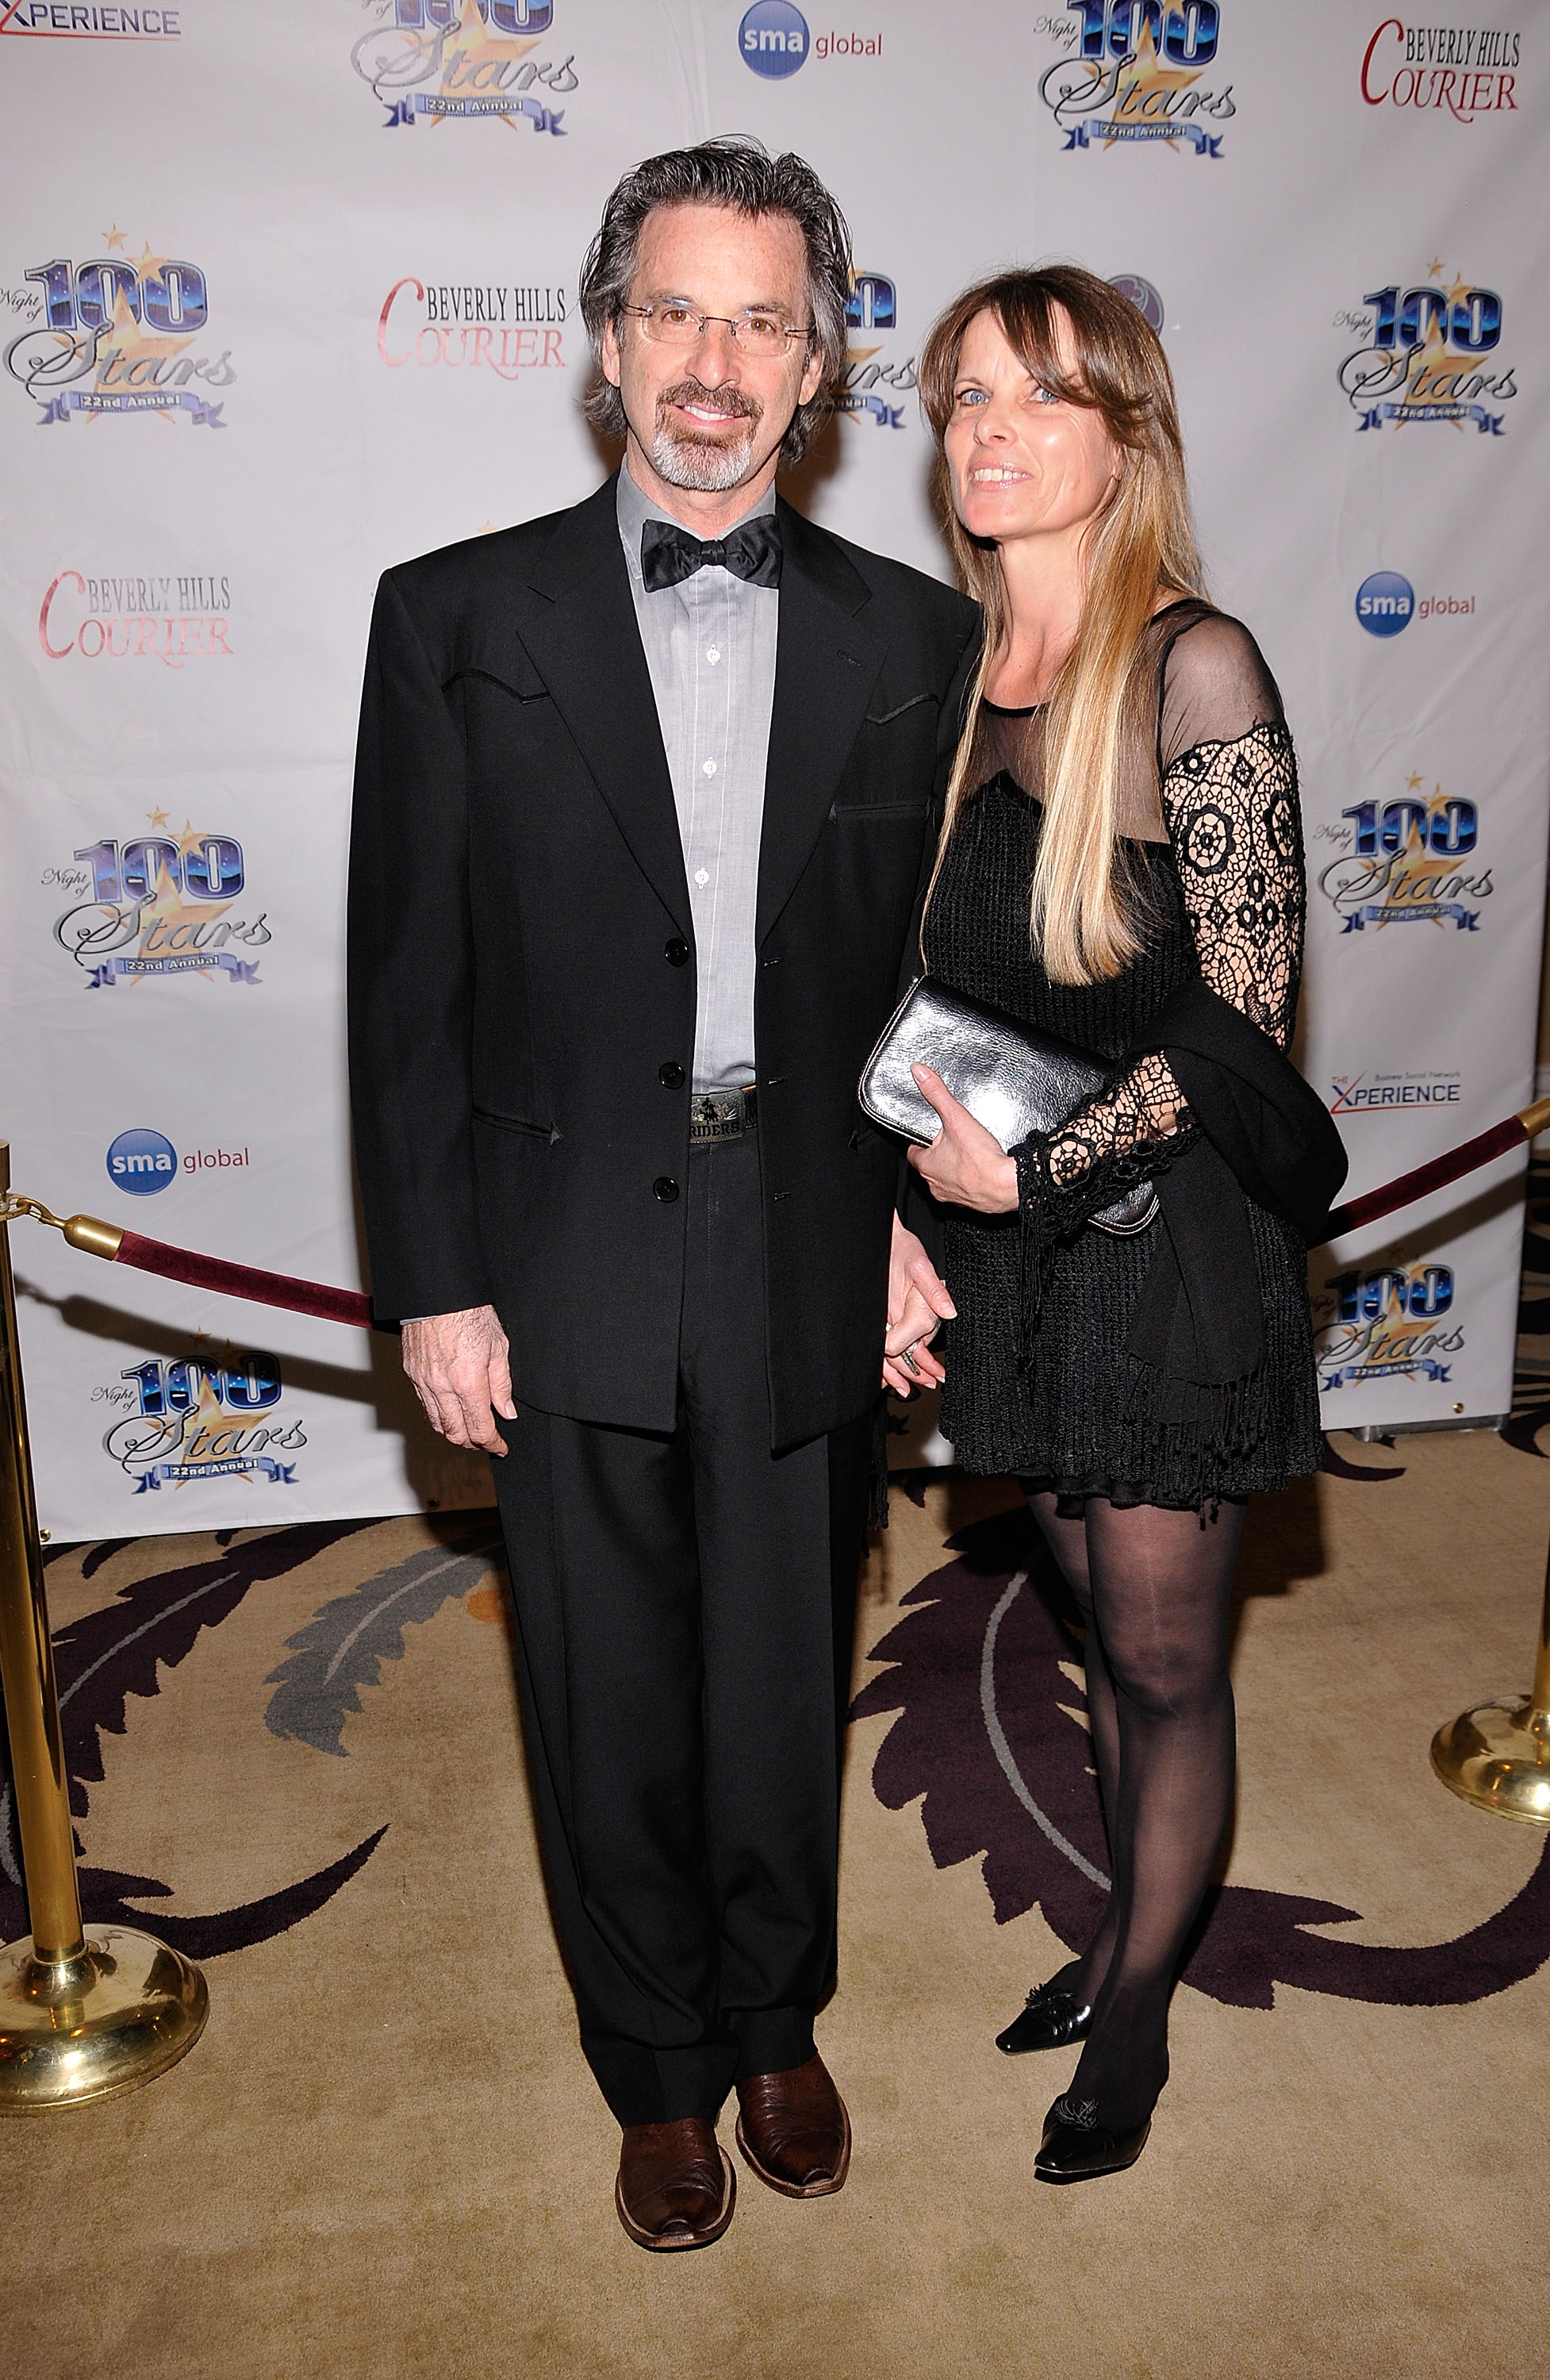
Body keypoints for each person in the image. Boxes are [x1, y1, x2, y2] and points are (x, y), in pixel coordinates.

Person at [347, 139, 977, 2250]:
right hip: (554, 1241)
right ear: (607, 339)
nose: (716, 363)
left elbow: (931, 979)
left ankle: (773, 2008)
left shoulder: (919, 634)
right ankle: (653, 2063)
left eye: (764, 321)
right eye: (677, 313)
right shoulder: (453, 617)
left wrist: (913, 1216)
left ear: (820, 368)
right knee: (602, 1673)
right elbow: (405, 985)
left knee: (786, 1658)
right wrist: (435, 1281)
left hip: (805, 1228)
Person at [890, 266, 1341, 2182]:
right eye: (959, 396)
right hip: (997, 1245)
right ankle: (1119, 1919)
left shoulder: (1193, 669)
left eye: (1033, 398)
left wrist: (1047, 1171)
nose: (984, 431)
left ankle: (1138, 2004)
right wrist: (897, 1215)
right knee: (1081, 1608)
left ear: (1120, 435)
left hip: (1160, 1233)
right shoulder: (941, 678)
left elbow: (1241, 1022)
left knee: (1165, 1657)